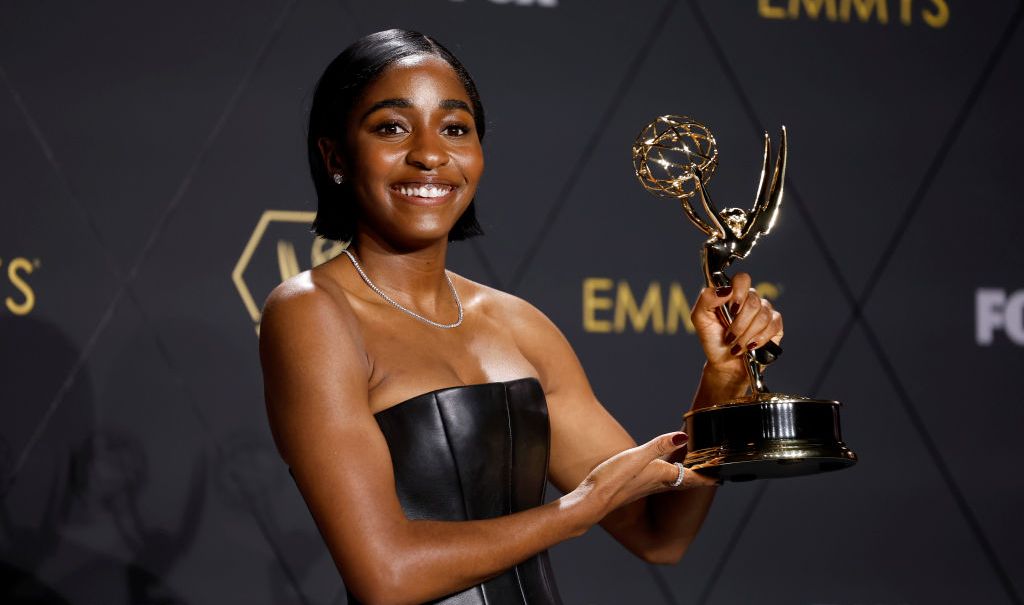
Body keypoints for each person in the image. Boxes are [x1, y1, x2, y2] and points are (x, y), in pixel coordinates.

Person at [258, 29, 784, 605]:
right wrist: (579, 508)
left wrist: (723, 379)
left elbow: (661, 534)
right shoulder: (312, 312)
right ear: (335, 155)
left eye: (456, 128)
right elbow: (386, 576)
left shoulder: (520, 325)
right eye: (391, 127)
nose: (431, 153)